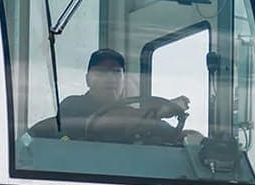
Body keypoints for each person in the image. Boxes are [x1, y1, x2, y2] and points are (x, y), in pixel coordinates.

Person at [57, 48, 189, 140]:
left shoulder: (136, 116)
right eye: (101, 72)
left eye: (116, 72)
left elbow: (171, 133)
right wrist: (159, 111)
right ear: (88, 79)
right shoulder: (72, 105)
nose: (110, 78)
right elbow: (106, 120)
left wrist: (196, 139)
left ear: (123, 80)